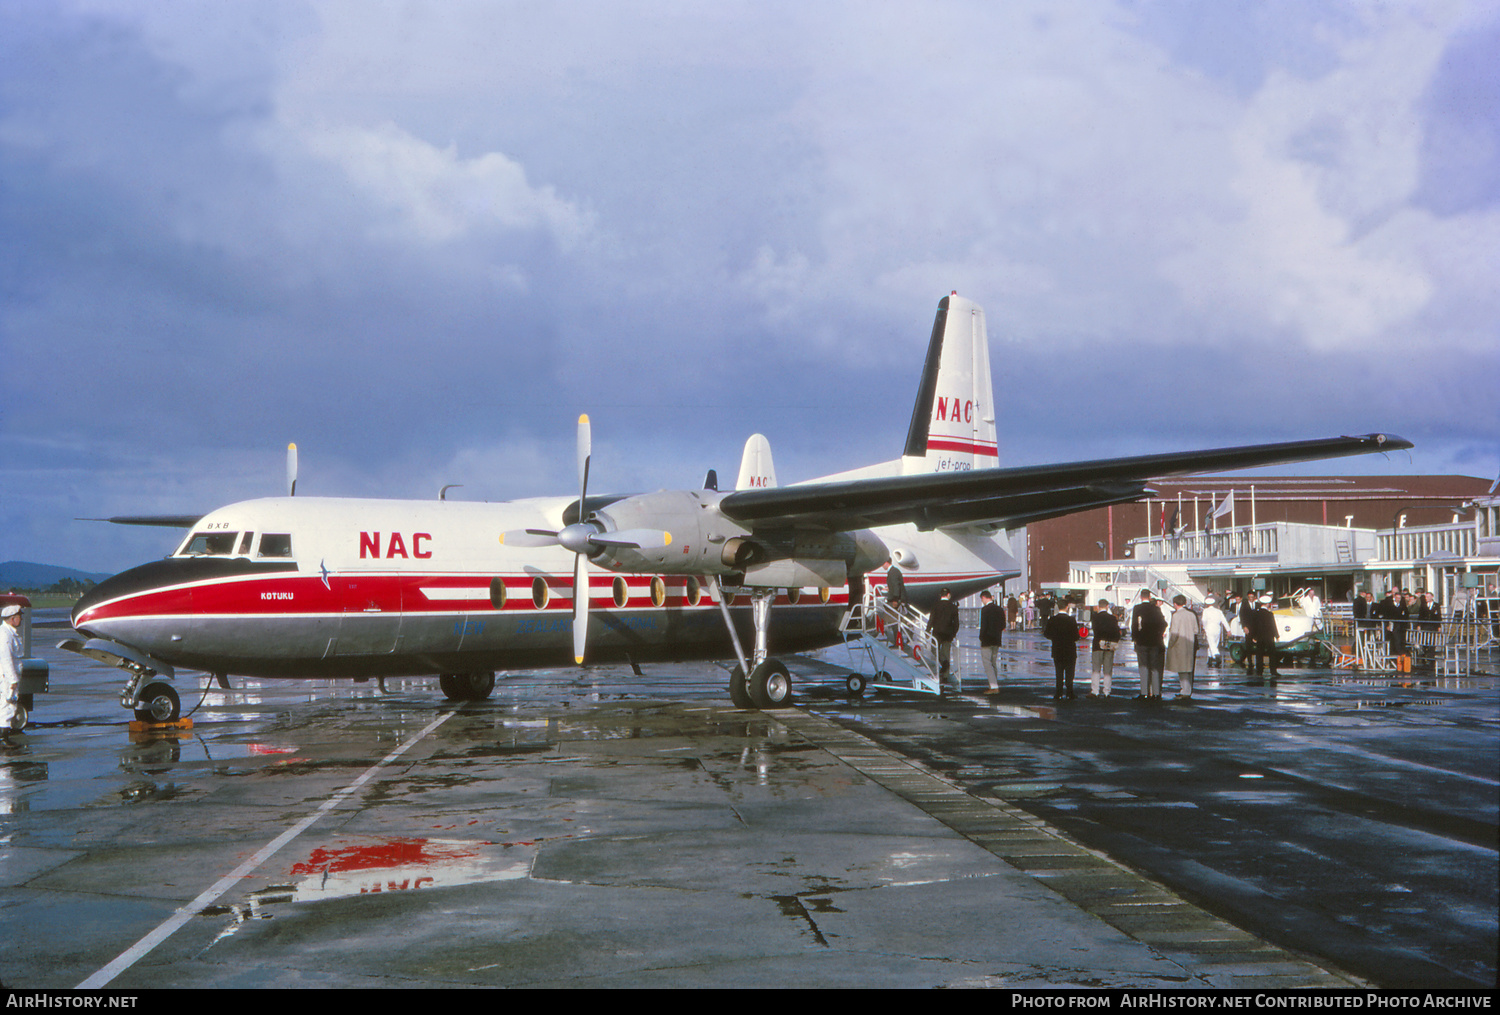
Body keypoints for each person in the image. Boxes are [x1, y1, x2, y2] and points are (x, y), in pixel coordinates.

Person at [1131, 589, 1167, 701]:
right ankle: (1156, 693)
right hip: (1155, 641)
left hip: (1142, 640)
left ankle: (1144, 692)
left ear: (1141, 597)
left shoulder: (1137, 608)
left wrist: (1135, 638)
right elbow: (1163, 623)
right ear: (1150, 596)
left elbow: (1134, 624)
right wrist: (1158, 633)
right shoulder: (1156, 608)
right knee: (1155, 668)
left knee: (1143, 667)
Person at [1043, 599, 1080, 700]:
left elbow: (1046, 634)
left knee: (1058, 672)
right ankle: (1070, 692)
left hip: (1057, 648)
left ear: (1057, 607)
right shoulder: (1071, 620)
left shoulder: (1052, 619)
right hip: (1069, 649)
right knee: (1070, 672)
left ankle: (1058, 692)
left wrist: (1055, 638)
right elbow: (1076, 636)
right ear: (1067, 607)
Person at [1166, 594, 1201, 699]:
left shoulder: (1176, 615)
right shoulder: (1192, 614)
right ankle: (1188, 690)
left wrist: (1170, 644)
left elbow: (1174, 633)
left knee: (1182, 669)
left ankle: (1184, 691)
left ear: (1175, 604)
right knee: (1189, 668)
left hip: (1179, 644)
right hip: (1190, 643)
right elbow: (1196, 630)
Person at [926, 587, 961, 683]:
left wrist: (927, 630)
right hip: (948, 634)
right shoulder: (953, 607)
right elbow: (957, 624)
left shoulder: (935, 605)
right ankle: (945, 675)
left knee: (934, 650)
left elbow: (931, 619)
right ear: (948, 595)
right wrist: (953, 633)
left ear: (940, 595)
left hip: (937, 633)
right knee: (946, 653)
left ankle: (943, 663)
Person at [1089, 599, 1121, 697]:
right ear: (1107, 606)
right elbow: (1116, 631)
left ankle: (1095, 691)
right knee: (1108, 670)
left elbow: (1095, 630)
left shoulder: (1095, 617)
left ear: (1098, 606)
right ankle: (1107, 691)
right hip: (1109, 645)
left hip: (1098, 645)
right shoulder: (1112, 618)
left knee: (1096, 669)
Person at [977, 590, 1006, 692]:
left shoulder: (985, 610)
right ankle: (993, 684)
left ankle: (994, 686)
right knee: (993, 662)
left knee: (987, 663)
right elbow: (1003, 625)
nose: (982, 601)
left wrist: (981, 637)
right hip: (997, 639)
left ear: (984, 597)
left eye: (982, 599)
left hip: (987, 639)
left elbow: (984, 626)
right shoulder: (1000, 609)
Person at [1248, 594, 1280, 681]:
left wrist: (1253, 636)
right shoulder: (1269, 614)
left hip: (1259, 636)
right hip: (1269, 636)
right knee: (1272, 653)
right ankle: (1273, 671)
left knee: (1259, 654)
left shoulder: (1256, 613)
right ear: (1267, 604)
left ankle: (1259, 671)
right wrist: (1276, 635)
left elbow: (1253, 625)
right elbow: (1273, 625)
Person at [1, 605, 22, 742]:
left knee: (8, 706)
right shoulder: (5, 635)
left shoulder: (9, 632)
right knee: (6, 706)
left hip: (8, 676)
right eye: (19, 616)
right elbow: (6, 658)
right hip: (6, 678)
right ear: (13, 619)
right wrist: (13, 680)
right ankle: (4, 738)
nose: (21, 619)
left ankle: (4, 736)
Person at [1200, 594, 1230, 668]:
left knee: (1211, 643)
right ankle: (1210, 658)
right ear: (1213, 603)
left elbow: (1204, 620)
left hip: (1209, 628)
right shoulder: (1218, 611)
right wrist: (1228, 629)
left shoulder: (1206, 611)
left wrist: (1204, 627)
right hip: (1217, 628)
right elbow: (1224, 620)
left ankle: (1217, 656)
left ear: (1207, 604)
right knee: (1214, 644)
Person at [883, 559, 906, 647]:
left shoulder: (893, 572)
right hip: (894, 598)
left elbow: (896, 586)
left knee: (894, 622)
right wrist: (889, 589)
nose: (882, 566)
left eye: (883, 564)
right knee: (895, 622)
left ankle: (898, 642)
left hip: (894, 600)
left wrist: (895, 599)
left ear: (886, 562)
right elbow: (895, 585)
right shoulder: (893, 571)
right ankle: (898, 641)